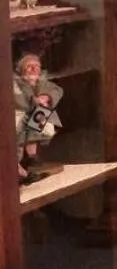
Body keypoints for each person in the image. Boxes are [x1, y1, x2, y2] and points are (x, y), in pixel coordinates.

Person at [14, 53, 63, 181]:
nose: (34, 69)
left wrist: (46, 97)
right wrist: (33, 100)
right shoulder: (16, 83)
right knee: (17, 136)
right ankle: (18, 169)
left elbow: (57, 90)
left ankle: (31, 156)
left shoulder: (42, 82)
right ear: (22, 70)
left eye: (37, 66)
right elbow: (17, 99)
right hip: (18, 116)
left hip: (34, 115)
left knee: (41, 115)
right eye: (29, 66)